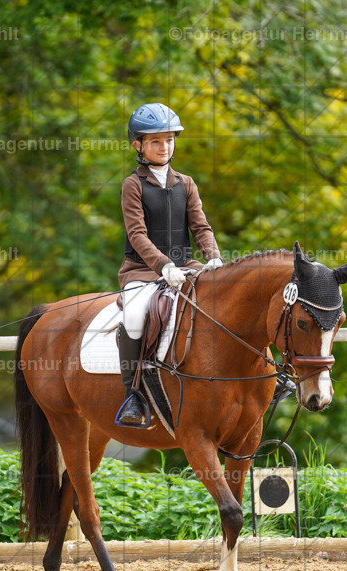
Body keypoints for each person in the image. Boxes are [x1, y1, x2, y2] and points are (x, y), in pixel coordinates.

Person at [116, 103, 223, 427]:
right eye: (156, 142)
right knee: (135, 315)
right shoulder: (133, 185)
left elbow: (200, 227)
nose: (164, 147)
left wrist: (214, 257)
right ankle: (133, 395)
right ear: (138, 145)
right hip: (142, 270)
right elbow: (137, 235)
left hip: (185, 265)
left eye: (169, 140)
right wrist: (163, 266)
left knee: (225, 299)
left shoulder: (186, 183)